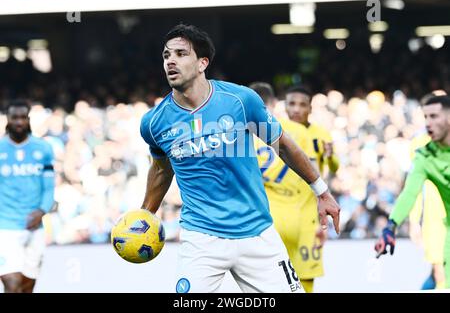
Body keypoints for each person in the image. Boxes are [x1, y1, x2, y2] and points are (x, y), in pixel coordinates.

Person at [139, 23, 340, 293]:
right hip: (201, 238)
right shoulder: (154, 123)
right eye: (166, 55)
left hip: (257, 232)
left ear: (202, 63)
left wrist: (321, 191)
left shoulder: (241, 101)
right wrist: (145, 215)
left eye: (180, 53)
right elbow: (162, 169)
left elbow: (283, 146)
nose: (171, 61)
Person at [249, 82, 324, 293]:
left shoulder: (240, 136)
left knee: (265, 286)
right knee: (303, 283)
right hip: (301, 221)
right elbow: (315, 173)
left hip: (264, 221)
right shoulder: (297, 131)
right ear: (274, 103)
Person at [374, 95, 450, 289]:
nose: (428, 123)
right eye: (426, 117)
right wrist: (391, 226)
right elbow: (409, 193)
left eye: (434, 116)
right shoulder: (424, 156)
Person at [283, 84, 340, 291]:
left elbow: (334, 167)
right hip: (281, 214)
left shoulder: (321, 134)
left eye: (302, 105)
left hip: (310, 218)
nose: (296, 109)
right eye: (292, 104)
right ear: (285, 106)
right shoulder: (277, 134)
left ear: (310, 109)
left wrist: (331, 156)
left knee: (306, 278)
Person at [0, 101, 55, 293]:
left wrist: (42, 210)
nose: (19, 122)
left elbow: (49, 187)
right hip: (5, 226)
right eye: (14, 117)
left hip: (35, 226)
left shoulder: (43, 149)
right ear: (8, 119)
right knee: (12, 283)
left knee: (27, 286)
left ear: (28, 119)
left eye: (23, 117)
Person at [408, 132, 446, 290]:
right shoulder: (420, 143)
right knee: (440, 272)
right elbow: (414, 185)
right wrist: (414, 219)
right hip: (435, 220)